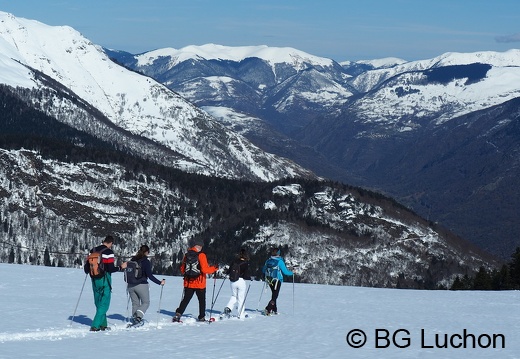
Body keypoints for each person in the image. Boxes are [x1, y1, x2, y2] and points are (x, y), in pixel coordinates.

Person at [172, 239, 218, 322]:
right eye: (201, 246)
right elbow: (204, 269)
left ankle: (178, 314)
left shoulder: (187, 255)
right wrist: (214, 268)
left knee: (186, 299)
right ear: (199, 246)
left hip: (188, 282)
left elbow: (182, 269)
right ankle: (201, 317)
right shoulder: (201, 255)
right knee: (201, 301)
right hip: (200, 283)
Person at [87, 235, 127, 332]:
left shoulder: (93, 250)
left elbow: (86, 267)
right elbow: (110, 269)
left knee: (98, 302)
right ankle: (95, 325)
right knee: (104, 303)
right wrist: (121, 267)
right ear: (111, 243)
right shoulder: (109, 252)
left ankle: (103, 324)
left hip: (94, 278)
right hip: (105, 279)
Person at [126, 244, 165, 326]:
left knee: (135, 303)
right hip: (141, 284)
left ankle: (135, 318)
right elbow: (150, 276)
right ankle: (138, 317)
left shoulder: (133, 260)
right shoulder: (145, 262)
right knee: (146, 303)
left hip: (130, 285)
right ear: (147, 252)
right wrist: (159, 282)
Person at [262, 247, 293, 315]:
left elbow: (263, 270)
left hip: (269, 280)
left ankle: (274, 309)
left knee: (274, 294)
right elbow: (285, 272)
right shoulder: (280, 261)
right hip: (277, 280)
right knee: (275, 296)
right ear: (278, 253)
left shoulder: (268, 260)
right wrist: (292, 273)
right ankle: (268, 308)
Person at [223, 248, 251, 319]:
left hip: (233, 281)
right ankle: (241, 314)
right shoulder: (245, 263)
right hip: (241, 281)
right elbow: (246, 275)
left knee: (234, 296)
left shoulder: (234, 261)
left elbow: (228, 271)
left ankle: (228, 308)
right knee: (241, 298)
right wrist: (250, 278)